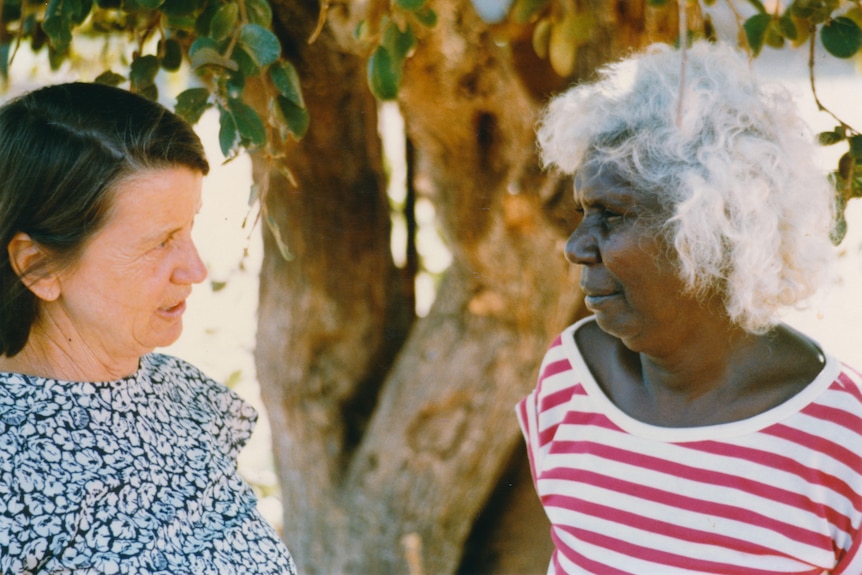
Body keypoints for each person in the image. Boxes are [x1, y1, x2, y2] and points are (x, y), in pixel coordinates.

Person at [517, 41, 862, 574]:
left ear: (709, 230)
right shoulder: (569, 377)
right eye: (583, 212)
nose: (576, 246)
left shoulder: (842, 441)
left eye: (610, 214)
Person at [0, 83, 296, 575]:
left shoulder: (177, 392)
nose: (195, 268)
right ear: (38, 267)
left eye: (189, 228)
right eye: (160, 243)